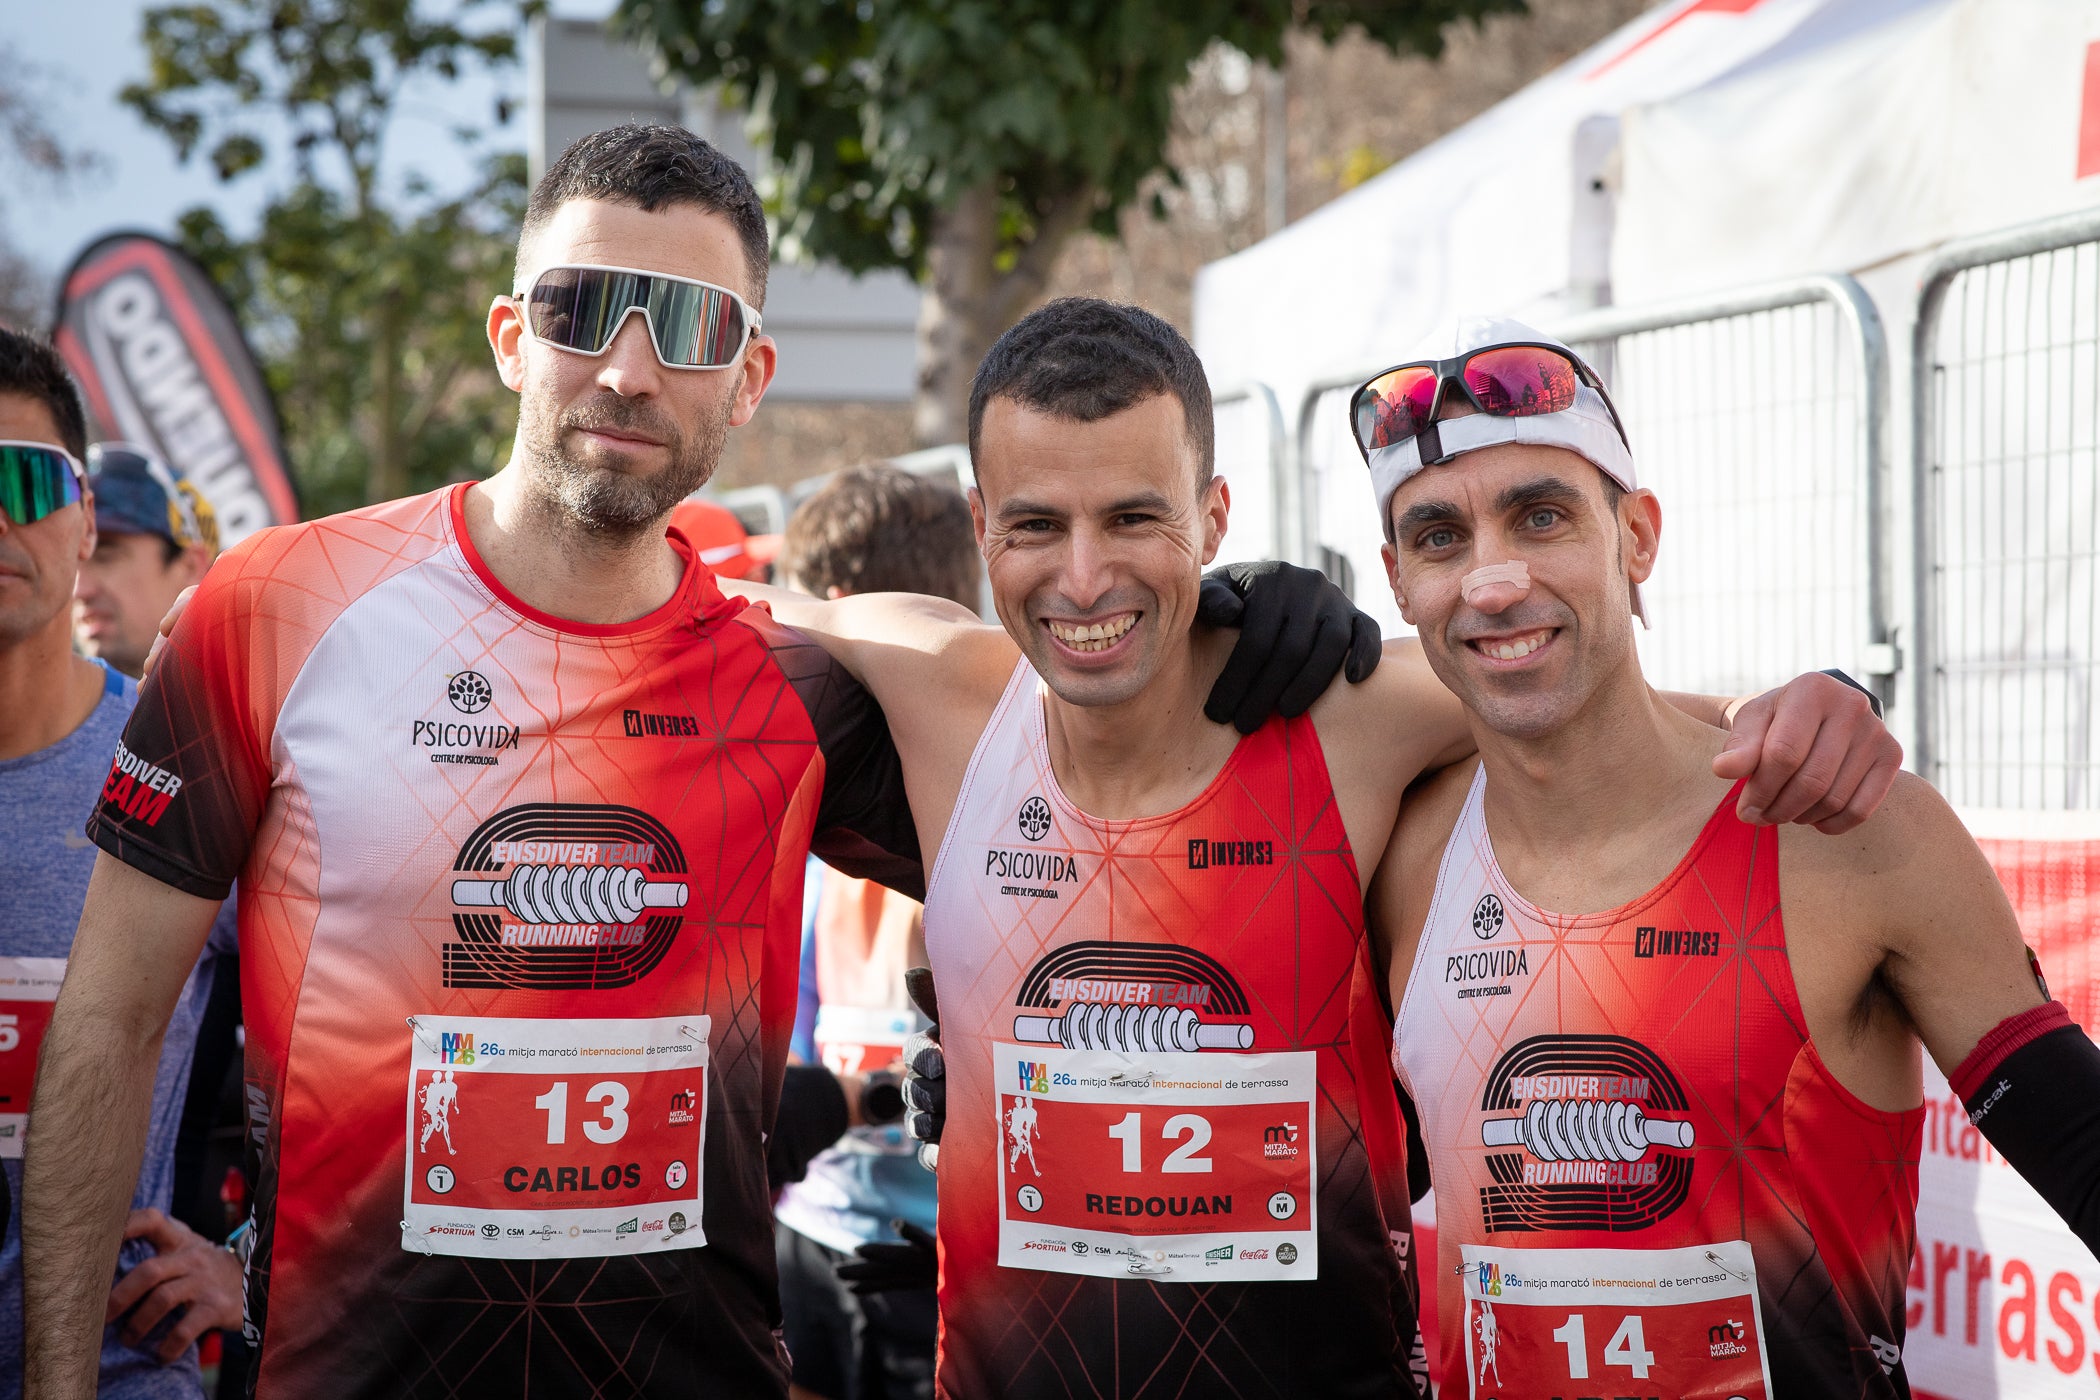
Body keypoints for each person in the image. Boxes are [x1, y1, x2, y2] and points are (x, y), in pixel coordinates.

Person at [22, 127, 1346, 1400]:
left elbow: (1106, 783)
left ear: (751, 376)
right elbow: (112, 1020)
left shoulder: (795, 687)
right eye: (585, 308)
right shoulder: (272, 611)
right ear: (509, 338)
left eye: (692, 326)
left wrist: (1225, 631)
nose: (630, 370)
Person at [707, 298, 1902, 1398]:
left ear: (1214, 517)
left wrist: (1810, 703)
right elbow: (652, 596)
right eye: (1035, 523)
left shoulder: (1351, 714)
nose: (1083, 575)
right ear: (980, 526)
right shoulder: (931, 690)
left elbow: (1611, 710)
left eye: (1135, 516)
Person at [1368, 318, 2100, 1395]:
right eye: (1439, 537)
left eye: (1542, 515)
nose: (1491, 581)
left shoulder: (1845, 828)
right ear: (1395, 579)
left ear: (1638, 537)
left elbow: (2079, 1143)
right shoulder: (1404, 852)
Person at [0, 332, 239, 1398]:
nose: (0, 512)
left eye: (28, 476)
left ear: (84, 515)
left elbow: (367, 1029)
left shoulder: (182, 756)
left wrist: (253, 1259)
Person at [770, 463, 975, 1400]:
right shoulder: (803, 799)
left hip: (941, 1255)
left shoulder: (994, 800)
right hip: (818, 1227)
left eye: (805, 622)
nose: (781, 658)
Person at [72, 445, 218, 679]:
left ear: (191, 566)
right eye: (70, 560)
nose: (79, 590)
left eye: (106, 556)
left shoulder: (267, 700)